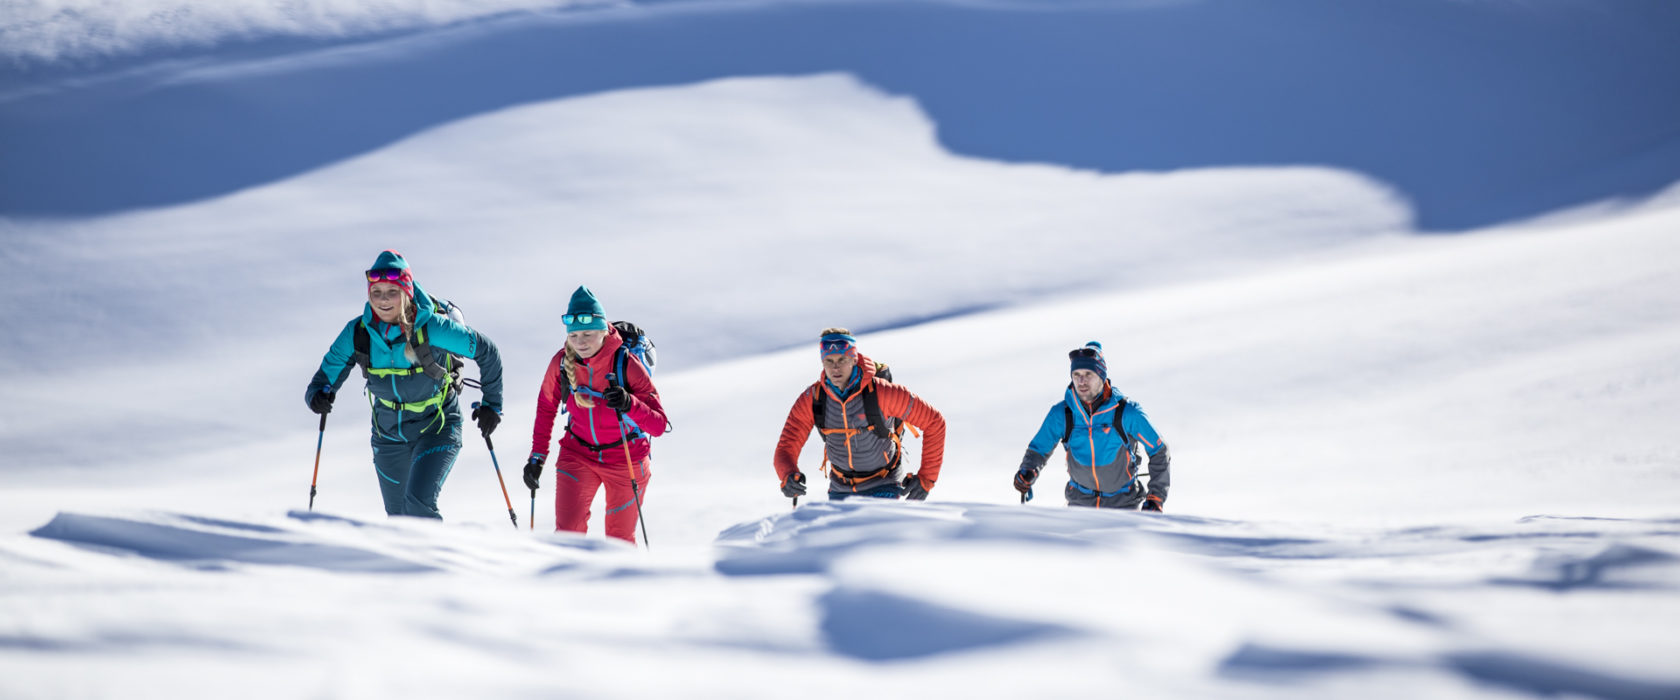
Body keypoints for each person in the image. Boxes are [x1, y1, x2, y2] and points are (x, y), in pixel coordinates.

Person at [305, 250, 505, 519]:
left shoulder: (432, 327)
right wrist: (317, 396)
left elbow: (487, 351)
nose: (383, 300)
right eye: (376, 292)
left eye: (392, 292)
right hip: (388, 437)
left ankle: (434, 561)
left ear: (407, 293)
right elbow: (325, 376)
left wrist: (492, 404)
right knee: (399, 520)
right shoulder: (358, 333)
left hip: (438, 426)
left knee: (418, 505)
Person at [523, 286, 668, 544]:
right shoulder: (561, 363)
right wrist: (537, 457)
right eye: (574, 335)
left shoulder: (626, 363)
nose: (580, 341)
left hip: (627, 458)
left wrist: (628, 403)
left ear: (603, 331)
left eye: (588, 334)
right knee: (568, 537)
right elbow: (546, 408)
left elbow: (658, 424)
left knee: (619, 541)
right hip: (577, 454)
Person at [773, 328, 947, 501]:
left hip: (885, 484)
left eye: (842, 359)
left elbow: (934, 422)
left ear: (854, 359)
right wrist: (787, 475)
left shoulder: (883, 392)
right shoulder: (813, 398)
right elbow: (787, 446)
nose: (835, 368)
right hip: (840, 489)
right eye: (829, 361)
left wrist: (926, 478)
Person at [1014, 342, 1171, 510]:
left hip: (1124, 506)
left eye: (1088, 374)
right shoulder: (1063, 414)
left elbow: (1159, 450)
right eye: (1076, 375)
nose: (1081, 381)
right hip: (1079, 506)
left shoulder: (1126, 413)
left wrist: (1156, 497)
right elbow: (1038, 449)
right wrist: (1028, 470)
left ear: (1101, 376)